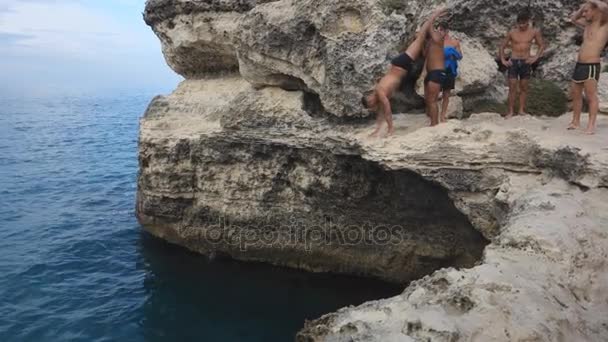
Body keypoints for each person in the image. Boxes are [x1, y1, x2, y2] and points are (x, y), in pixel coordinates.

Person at [363, 9, 447, 137]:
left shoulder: (380, 92)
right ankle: (431, 19)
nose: (373, 107)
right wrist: (377, 129)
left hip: (401, 63)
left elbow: (387, 110)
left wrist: (391, 129)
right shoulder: (378, 95)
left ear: (370, 101)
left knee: (420, 36)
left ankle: (434, 14)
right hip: (402, 68)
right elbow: (381, 114)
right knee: (421, 40)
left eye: (371, 106)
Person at [569, 0, 608, 135]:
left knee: (591, 96)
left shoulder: (604, 24)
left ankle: (591, 126)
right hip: (580, 64)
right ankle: (575, 122)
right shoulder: (587, 25)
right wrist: (584, 7)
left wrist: (591, 1)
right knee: (576, 94)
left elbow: (604, 6)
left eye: (587, 11)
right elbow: (573, 18)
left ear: (596, 11)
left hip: (591, 65)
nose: (584, 14)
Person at [499, 11, 546, 118]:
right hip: (514, 61)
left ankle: (521, 110)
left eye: (523, 23)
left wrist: (535, 57)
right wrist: (503, 60)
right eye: (519, 23)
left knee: (524, 87)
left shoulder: (534, 32)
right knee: (512, 87)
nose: (521, 25)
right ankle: (510, 111)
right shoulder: (512, 32)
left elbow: (542, 45)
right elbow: (502, 46)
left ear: (528, 22)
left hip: (526, 61)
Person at [424, 20, 449, 126]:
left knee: (432, 100)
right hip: (431, 73)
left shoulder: (439, 38)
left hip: (437, 72)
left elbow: (429, 24)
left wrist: (433, 16)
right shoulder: (432, 42)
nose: (439, 31)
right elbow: (425, 54)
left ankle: (434, 124)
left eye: (441, 30)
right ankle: (433, 122)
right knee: (429, 100)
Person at [440, 24, 463, 123]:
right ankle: (432, 114)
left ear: (446, 31)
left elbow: (460, 56)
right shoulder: (437, 42)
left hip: (450, 70)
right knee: (433, 94)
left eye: (441, 30)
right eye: (438, 30)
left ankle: (442, 116)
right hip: (438, 68)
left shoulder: (454, 42)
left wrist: (453, 53)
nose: (439, 32)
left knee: (446, 94)